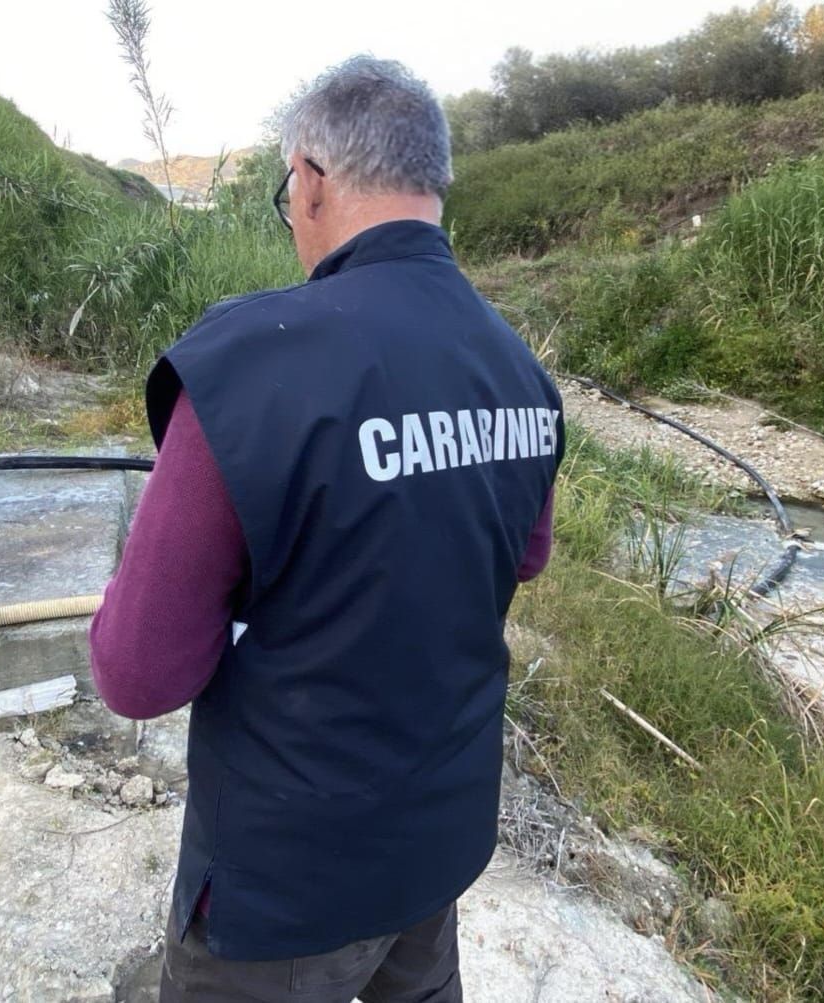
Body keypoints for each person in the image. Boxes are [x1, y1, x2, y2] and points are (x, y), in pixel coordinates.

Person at [88, 56, 563, 1002]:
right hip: (438, 842)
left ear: (308, 179)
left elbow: (137, 675)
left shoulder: (247, 366)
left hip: (285, 886)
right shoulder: (518, 368)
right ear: (430, 183)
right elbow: (526, 555)